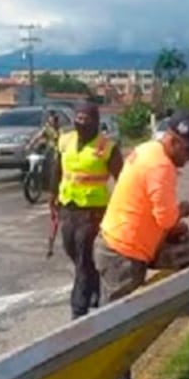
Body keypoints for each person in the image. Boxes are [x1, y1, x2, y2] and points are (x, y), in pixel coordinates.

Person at [94, 110, 189, 379]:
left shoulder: (147, 149)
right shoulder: (162, 167)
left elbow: (147, 202)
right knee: (120, 323)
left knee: (108, 316)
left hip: (112, 240)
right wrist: (181, 214)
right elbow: (165, 217)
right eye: (188, 149)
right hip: (125, 251)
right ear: (172, 140)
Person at [51, 102, 124, 319]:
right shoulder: (65, 140)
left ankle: (78, 309)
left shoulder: (107, 148)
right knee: (71, 250)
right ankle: (94, 288)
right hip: (68, 208)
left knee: (83, 258)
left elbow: (122, 180)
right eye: (78, 118)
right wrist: (52, 196)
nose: (81, 123)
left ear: (96, 122)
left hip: (93, 212)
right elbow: (58, 168)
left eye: (86, 119)